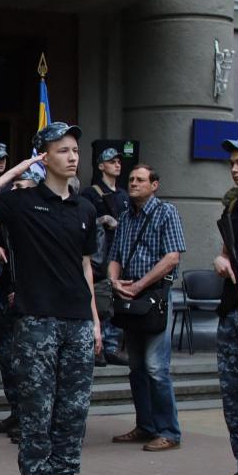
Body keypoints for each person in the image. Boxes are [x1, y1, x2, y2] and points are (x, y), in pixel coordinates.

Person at [0, 122, 103, 475]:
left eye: (75, 149)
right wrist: (16, 170)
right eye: (62, 150)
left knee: (72, 413)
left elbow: (85, 269)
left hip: (77, 321)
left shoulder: (85, 208)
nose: (73, 156)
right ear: (44, 157)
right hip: (36, 321)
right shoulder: (21, 204)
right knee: (36, 412)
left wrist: (95, 321)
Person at [107, 165, 185, 452]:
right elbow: (114, 256)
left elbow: (172, 257)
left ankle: (169, 431)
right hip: (129, 298)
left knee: (156, 368)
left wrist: (139, 285)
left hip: (154, 298)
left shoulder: (167, 212)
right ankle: (146, 426)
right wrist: (115, 281)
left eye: (140, 180)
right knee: (136, 367)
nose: (134, 183)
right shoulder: (125, 216)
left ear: (155, 184)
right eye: (131, 180)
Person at [0, 167, 45, 441]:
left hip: (35, 302)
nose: (17, 193)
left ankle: (33, 421)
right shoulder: (8, 220)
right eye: (15, 188)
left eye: (24, 188)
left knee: (32, 364)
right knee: (8, 359)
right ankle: (17, 413)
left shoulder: (43, 221)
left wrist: (23, 290)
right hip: (8, 298)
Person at [207, 137, 238, 475]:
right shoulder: (232, 205)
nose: (235, 169)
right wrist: (221, 259)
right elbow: (226, 250)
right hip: (233, 310)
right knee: (233, 398)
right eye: (233, 163)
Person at [81, 148, 130, 367]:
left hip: (118, 254)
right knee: (99, 300)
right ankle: (96, 346)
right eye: (111, 161)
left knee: (116, 298)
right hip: (98, 256)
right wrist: (102, 220)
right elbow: (83, 220)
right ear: (101, 166)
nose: (117, 164)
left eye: (119, 161)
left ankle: (112, 346)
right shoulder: (90, 193)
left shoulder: (123, 195)